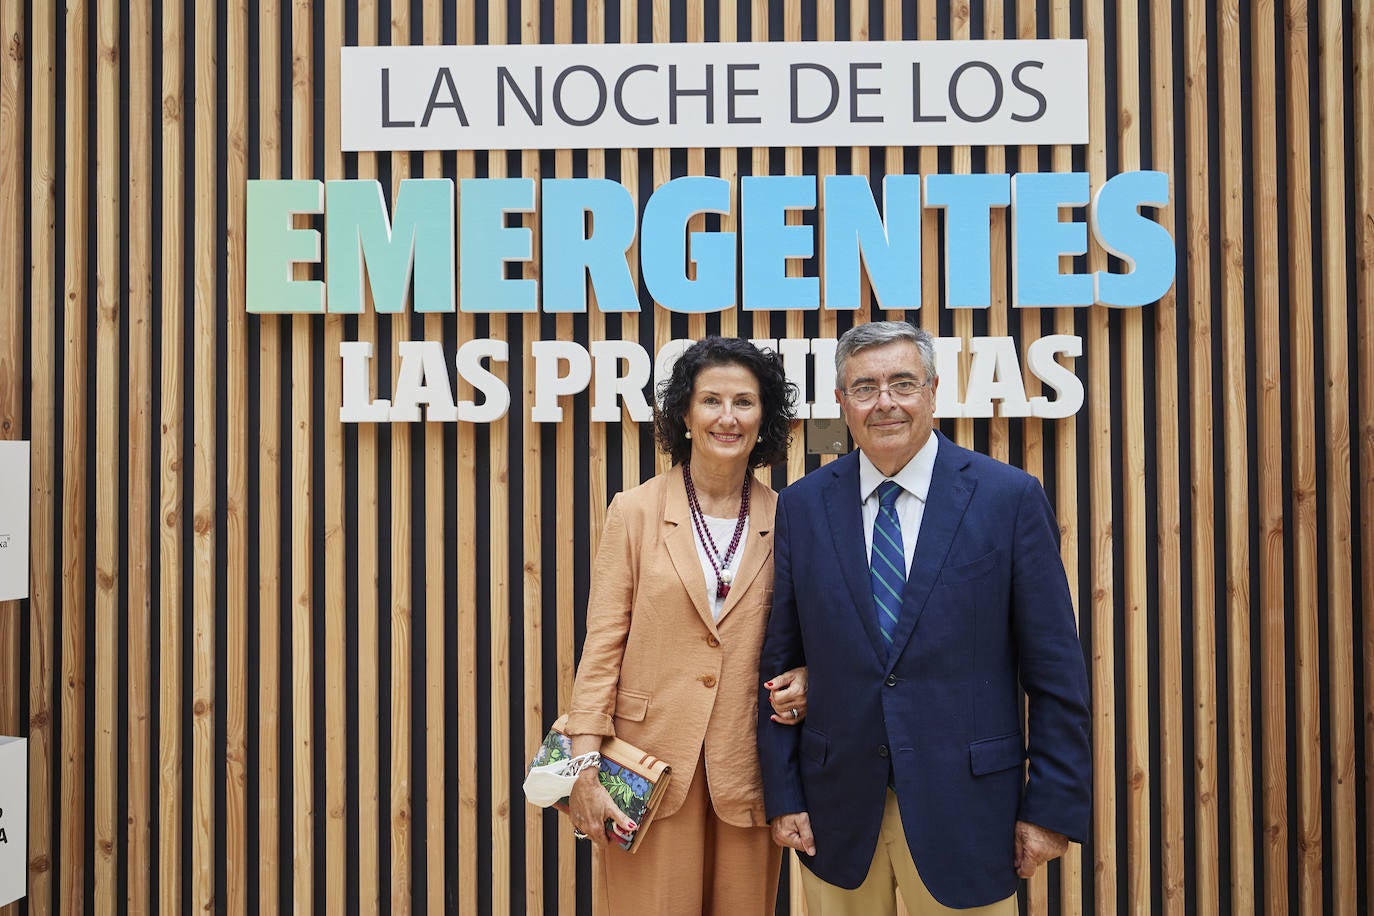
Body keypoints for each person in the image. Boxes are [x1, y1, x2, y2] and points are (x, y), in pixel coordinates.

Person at [757, 321, 1091, 914]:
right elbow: (780, 664)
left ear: (933, 391)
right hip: (834, 817)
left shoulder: (1007, 498)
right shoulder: (803, 507)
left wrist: (1051, 810)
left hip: (969, 812)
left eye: (902, 383)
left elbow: (1056, 672)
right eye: (864, 387)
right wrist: (784, 796)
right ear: (841, 402)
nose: (884, 401)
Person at [563, 336, 806, 915]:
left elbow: (806, 638)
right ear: (685, 415)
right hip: (644, 768)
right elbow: (602, 648)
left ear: (764, 417)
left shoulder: (792, 517)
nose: (728, 417)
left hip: (748, 767)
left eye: (745, 402)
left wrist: (806, 675)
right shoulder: (635, 511)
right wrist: (582, 767)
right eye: (711, 401)